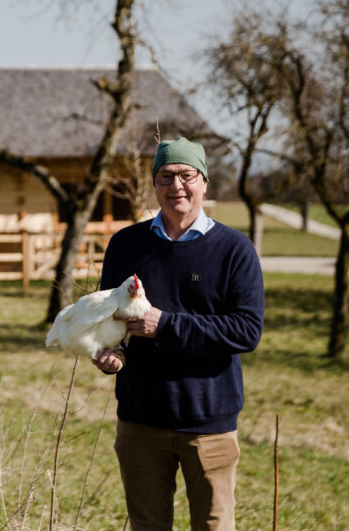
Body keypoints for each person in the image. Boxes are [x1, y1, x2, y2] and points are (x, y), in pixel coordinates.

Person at [92, 136, 264, 531]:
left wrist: (164, 325)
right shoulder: (125, 245)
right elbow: (110, 319)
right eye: (165, 177)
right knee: (147, 526)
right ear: (155, 185)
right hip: (140, 420)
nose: (176, 187)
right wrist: (109, 352)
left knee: (214, 527)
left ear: (204, 181)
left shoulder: (235, 250)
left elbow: (246, 330)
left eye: (186, 175)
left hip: (209, 422)